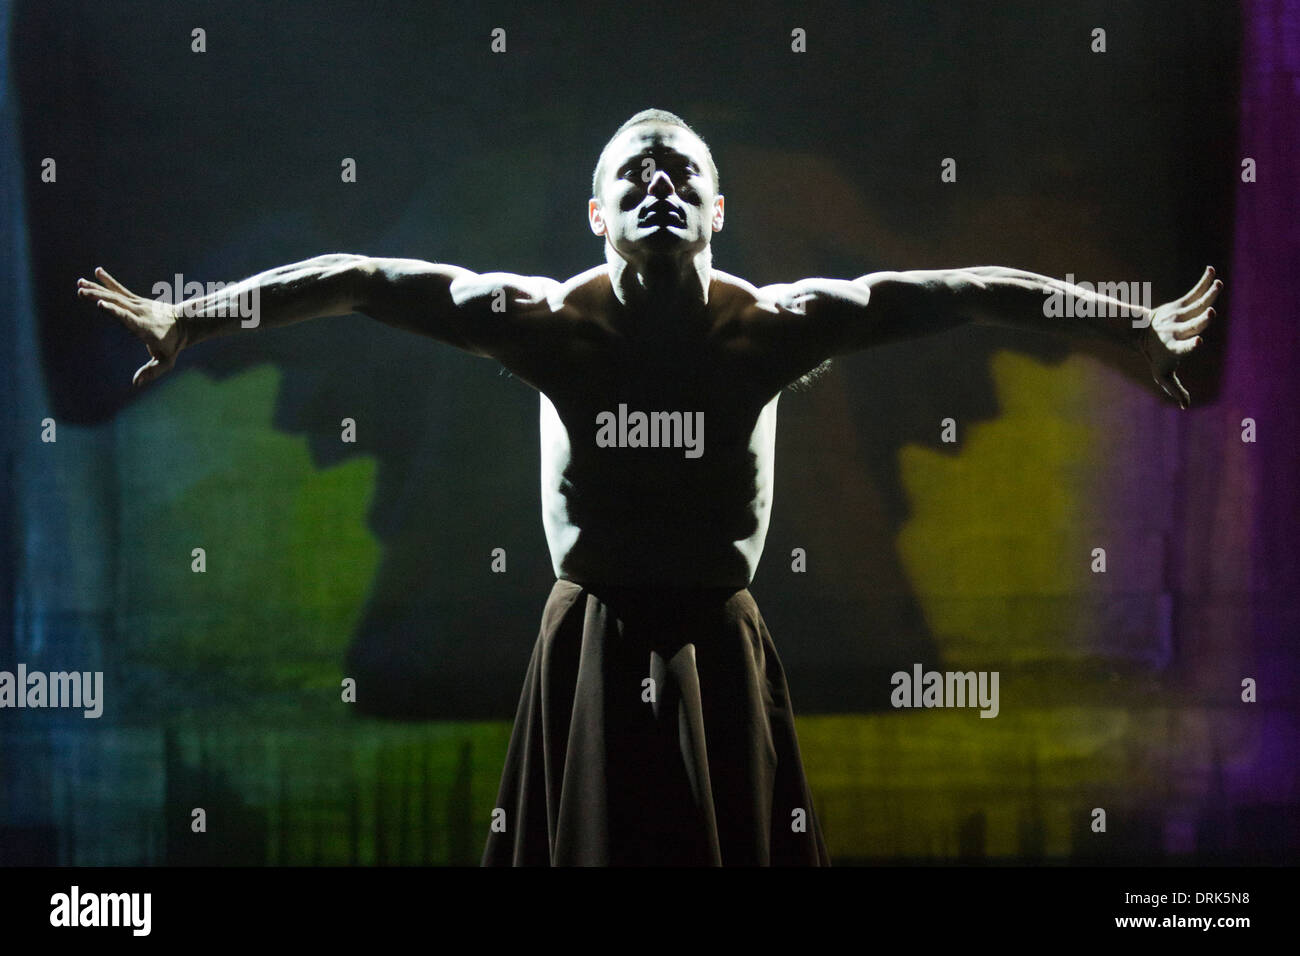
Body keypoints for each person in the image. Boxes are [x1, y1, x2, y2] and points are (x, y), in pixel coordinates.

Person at [77, 108, 1221, 866]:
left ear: (719, 213)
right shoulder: (544, 323)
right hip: (593, 637)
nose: (661, 183)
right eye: (637, 171)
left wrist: (1124, 322)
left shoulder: (770, 327)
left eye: (684, 174)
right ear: (597, 211)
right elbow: (365, 279)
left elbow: (965, 287)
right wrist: (197, 312)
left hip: (720, 641)